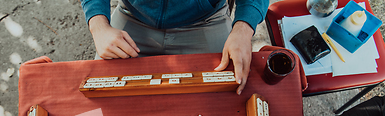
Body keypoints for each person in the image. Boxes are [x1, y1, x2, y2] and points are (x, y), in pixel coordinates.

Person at [80, 0, 269, 95]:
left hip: (206, 21)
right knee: (103, 96)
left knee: (226, 97)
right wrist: (99, 26)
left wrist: (243, 30)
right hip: (133, 16)